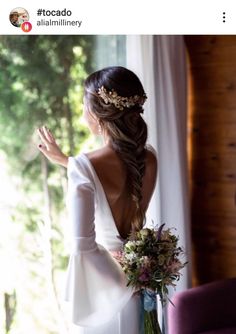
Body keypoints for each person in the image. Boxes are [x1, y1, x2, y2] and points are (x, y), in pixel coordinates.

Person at [37, 66, 158, 333]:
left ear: (97, 113)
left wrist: (121, 280)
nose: (82, 112)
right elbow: (117, 186)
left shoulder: (84, 167)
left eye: (83, 105)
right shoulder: (148, 158)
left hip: (109, 296)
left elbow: (83, 247)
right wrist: (66, 161)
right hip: (142, 288)